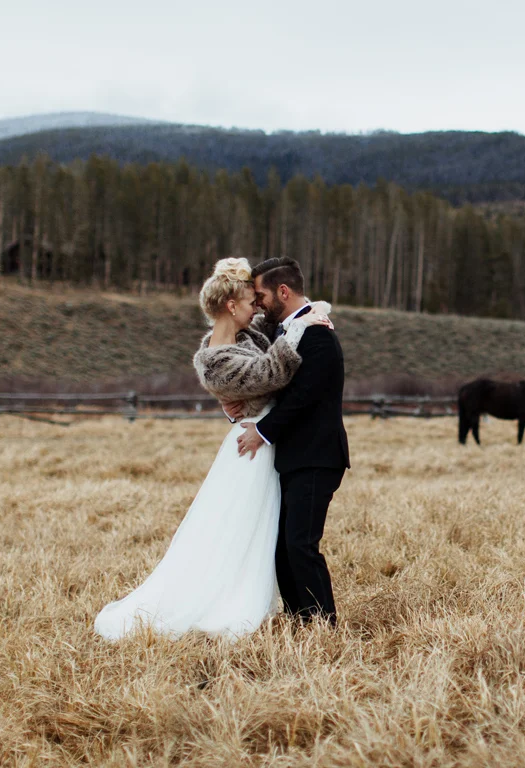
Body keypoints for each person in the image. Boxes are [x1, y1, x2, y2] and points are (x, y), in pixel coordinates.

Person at [93, 257, 331, 640]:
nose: (258, 307)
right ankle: (223, 601)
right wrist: (303, 324)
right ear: (230, 306)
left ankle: (297, 610)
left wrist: (308, 312)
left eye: (258, 301)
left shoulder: (248, 335)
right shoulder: (214, 359)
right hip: (252, 448)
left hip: (268, 438)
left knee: (267, 531)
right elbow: (271, 373)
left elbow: (278, 320)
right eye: (251, 302)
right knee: (238, 529)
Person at [225, 256, 350, 626]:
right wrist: (241, 405)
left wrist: (262, 433)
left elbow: (305, 396)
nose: (259, 302)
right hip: (295, 455)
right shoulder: (288, 332)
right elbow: (276, 388)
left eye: (261, 294)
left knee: (300, 544)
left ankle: (323, 623)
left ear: (283, 291)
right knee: (282, 547)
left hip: (316, 456)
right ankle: (299, 618)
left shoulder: (317, 334)